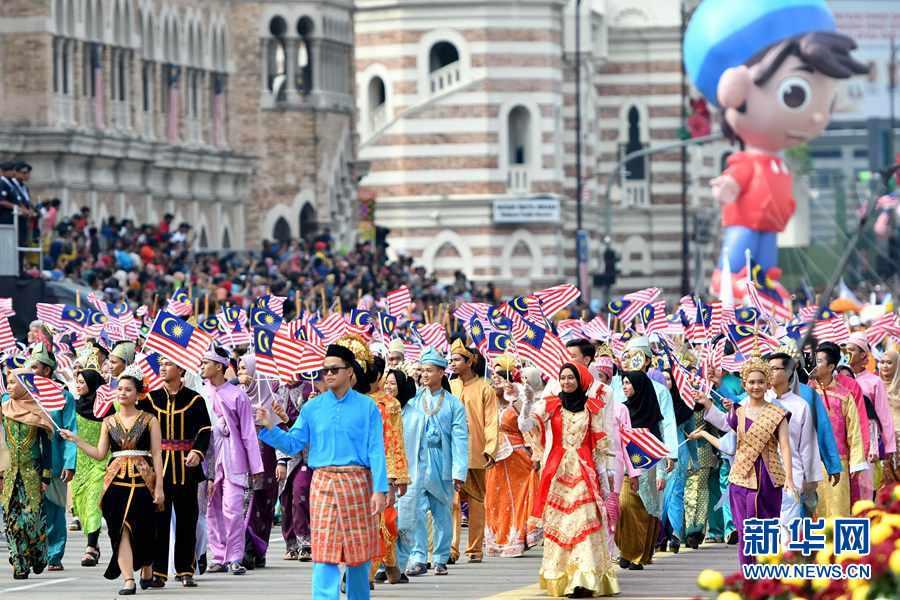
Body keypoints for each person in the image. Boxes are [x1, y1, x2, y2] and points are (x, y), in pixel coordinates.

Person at [255, 344, 388, 600]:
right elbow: (294, 444)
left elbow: (376, 450)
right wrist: (271, 426)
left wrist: (380, 490)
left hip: (358, 483)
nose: (327, 374)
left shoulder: (367, 407)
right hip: (323, 484)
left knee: (358, 556)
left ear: (350, 372)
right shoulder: (311, 408)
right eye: (323, 370)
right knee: (324, 552)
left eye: (334, 369)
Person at [60, 367, 165, 595]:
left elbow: (157, 454)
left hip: (143, 482)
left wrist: (159, 487)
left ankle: (147, 566)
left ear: (139, 394)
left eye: (128, 389)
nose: (123, 393)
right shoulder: (108, 421)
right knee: (120, 531)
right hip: (115, 483)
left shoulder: (150, 420)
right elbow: (100, 453)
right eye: (120, 389)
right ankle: (128, 579)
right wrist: (76, 440)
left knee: (144, 530)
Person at [519, 362, 618, 597]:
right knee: (562, 526)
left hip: (584, 473)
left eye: (571, 378)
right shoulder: (551, 404)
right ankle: (564, 577)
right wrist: (527, 403)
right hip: (557, 474)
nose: (566, 382)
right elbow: (527, 425)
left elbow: (600, 444)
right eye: (562, 378)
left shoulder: (592, 407)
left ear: (581, 380)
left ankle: (583, 578)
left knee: (584, 523)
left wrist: (606, 477)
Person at [139, 357, 211, 587]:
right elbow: (140, 429)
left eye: (168, 363)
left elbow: (205, 429)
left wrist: (198, 452)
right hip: (160, 467)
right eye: (160, 363)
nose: (162, 367)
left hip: (186, 466)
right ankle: (158, 572)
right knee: (158, 519)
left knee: (187, 518)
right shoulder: (151, 399)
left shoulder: (195, 399)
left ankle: (185, 570)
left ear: (180, 369)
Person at [396, 348, 468, 578]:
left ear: (441, 373)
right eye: (423, 371)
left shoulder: (454, 404)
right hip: (418, 462)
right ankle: (418, 556)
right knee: (415, 510)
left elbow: (460, 438)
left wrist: (459, 470)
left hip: (442, 462)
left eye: (429, 371)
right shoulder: (414, 402)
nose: (425, 375)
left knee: (442, 513)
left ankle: (440, 557)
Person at [724, 356, 797, 565]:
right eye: (751, 382)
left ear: (768, 384)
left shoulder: (778, 413)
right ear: (744, 384)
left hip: (768, 478)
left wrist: (789, 477)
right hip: (740, 479)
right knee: (745, 532)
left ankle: (765, 579)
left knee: (766, 530)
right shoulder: (737, 413)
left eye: (760, 382)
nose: (756, 386)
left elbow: (785, 446)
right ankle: (749, 578)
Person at [203, 348, 263, 576]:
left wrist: (255, 466)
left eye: (206, 362)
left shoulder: (238, 395)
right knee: (211, 509)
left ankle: (235, 556)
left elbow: (248, 432)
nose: (202, 366)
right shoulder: (202, 394)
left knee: (233, 509)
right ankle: (218, 556)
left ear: (219, 366)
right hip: (209, 456)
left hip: (233, 456)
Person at [484, 354, 542, 558]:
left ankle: (516, 538)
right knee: (495, 498)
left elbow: (530, 430)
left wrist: (536, 453)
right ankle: (498, 540)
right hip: (494, 457)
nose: (495, 381)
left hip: (517, 457)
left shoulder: (517, 402)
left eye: (500, 377)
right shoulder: (489, 402)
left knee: (516, 499)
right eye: (493, 377)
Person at [1, 367, 54, 579]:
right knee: (12, 520)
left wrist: (46, 476)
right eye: (8, 382)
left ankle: (39, 554)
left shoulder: (38, 411)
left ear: (25, 385)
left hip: (32, 474)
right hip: (9, 474)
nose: (9, 386)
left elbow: (46, 447)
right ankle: (19, 563)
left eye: (13, 382)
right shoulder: (4, 409)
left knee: (32, 521)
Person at [448, 339, 498, 564]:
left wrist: (490, 448)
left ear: (470, 362)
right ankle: (450, 548)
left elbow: (491, 421)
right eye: (451, 360)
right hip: (451, 452)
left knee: (477, 501)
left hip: (475, 450)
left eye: (457, 359)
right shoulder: (450, 386)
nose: (452, 363)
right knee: (453, 501)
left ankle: (475, 549)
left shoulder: (485, 388)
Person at [29, 343, 76, 571]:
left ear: (47, 370)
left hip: (56, 462)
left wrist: (70, 462)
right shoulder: (23, 396)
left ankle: (54, 555)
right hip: (28, 462)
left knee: (55, 510)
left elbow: (70, 431)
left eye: (35, 367)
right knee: (29, 510)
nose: (31, 371)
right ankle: (30, 553)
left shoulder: (64, 397)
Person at [365, 355, 411, 584]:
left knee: (385, 522)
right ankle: (390, 568)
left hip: (382, 471)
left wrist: (396, 478)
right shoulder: (351, 399)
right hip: (356, 470)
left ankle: (370, 574)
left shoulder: (390, 404)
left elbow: (395, 441)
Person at [810, 342, 866, 518]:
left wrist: (856, 460)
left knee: (838, 509)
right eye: (815, 360)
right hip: (811, 460)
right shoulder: (806, 392)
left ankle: (836, 546)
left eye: (819, 361)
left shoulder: (844, 395)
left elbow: (854, 431)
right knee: (814, 509)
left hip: (838, 462)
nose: (814, 365)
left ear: (831, 366)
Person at [615, 370, 664, 571]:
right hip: (625, 466)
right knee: (623, 507)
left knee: (643, 510)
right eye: (623, 383)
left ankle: (637, 555)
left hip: (647, 466)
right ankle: (625, 550)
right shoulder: (621, 410)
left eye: (628, 383)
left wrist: (662, 472)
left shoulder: (652, 413)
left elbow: (658, 442)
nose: (625, 386)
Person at [238, 354, 280, 570]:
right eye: (240, 369)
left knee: (263, 502)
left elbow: (282, 431)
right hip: (241, 457)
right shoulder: (236, 396)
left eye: (245, 369)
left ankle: (257, 549)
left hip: (266, 457)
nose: (241, 373)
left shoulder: (272, 399)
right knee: (245, 502)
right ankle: (244, 549)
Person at [70, 361, 113, 569]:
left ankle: (90, 547)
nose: (78, 385)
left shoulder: (106, 407)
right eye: (76, 382)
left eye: (82, 382)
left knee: (93, 502)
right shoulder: (75, 406)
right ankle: (94, 544)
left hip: (101, 460)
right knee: (81, 504)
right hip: (81, 461)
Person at [844, 333, 896, 494]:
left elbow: (884, 417)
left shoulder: (874, 382)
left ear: (862, 355)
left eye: (852, 350)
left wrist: (889, 447)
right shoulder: (837, 379)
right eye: (846, 350)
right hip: (843, 443)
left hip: (866, 444)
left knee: (864, 489)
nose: (847, 353)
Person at [878, 350, 900, 482]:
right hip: (882, 441)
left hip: (898, 439)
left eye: (889, 363)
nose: (885, 366)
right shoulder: (874, 385)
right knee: (885, 484)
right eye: (882, 362)